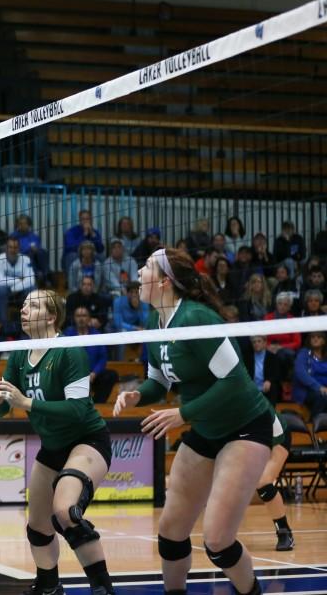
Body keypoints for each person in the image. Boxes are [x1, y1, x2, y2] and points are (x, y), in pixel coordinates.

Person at [113, 247, 273, 595]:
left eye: (146, 267)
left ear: (165, 281)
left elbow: (234, 382)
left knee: (216, 539)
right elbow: (160, 381)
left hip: (244, 426)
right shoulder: (157, 324)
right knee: (171, 532)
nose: (139, 272)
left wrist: (182, 414)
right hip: (206, 428)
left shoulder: (196, 319)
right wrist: (138, 394)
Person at [0, 289, 116, 595]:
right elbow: (4, 408)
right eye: (24, 305)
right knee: (38, 527)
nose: (23, 310)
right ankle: (48, 586)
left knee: (66, 512)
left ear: (52, 316)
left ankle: (102, 588)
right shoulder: (20, 352)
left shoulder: (70, 350)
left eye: (33, 305)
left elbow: (77, 409)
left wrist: (26, 402)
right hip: (53, 448)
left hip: (87, 440)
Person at [253, 403, 295, 551]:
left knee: (263, 483)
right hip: (248, 441)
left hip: (277, 436)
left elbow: (276, 433)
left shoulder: (250, 399)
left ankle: (284, 532)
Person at [63, 307, 116, 404]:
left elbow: (103, 358)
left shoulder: (96, 335)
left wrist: (94, 373)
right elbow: (63, 357)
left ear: (89, 318)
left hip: (93, 376)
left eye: (84, 315)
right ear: (74, 318)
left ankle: (98, 403)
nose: (81, 319)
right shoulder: (67, 334)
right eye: (78, 316)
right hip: (73, 375)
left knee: (111, 375)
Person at [0, 236, 36, 327]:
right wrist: (18, 279)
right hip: (2, 292)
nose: (12, 250)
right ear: (6, 248)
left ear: (19, 248)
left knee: (32, 290)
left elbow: (31, 280)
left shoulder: (26, 259)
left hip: (19, 291)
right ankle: (2, 326)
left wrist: (14, 288)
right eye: (10, 247)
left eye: (15, 247)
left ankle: (30, 324)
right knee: (1, 289)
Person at [292, 331, 327, 416]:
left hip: (325, 389)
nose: (315, 339)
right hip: (308, 390)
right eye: (313, 337)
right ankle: (314, 422)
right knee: (323, 397)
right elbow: (300, 373)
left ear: (324, 341)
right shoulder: (304, 353)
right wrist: (319, 387)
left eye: (318, 337)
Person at [243, 335, 285, 404]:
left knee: (273, 386)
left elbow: (277, 373)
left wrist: (269, 380)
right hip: (252, 388)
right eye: (254, 342)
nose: (256, 344)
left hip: (267, 388)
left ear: (265, 343)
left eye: (259, 341)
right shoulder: (248, 358)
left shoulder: (272, 357)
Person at [13, 214, 49, 280]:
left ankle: (45, 275)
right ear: (17, 225)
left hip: (34, 255)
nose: (22, 225)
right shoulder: (13, 236)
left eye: (25, 223)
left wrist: (36, 249)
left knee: (43, 252)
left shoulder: (34, 236)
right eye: (20, 223)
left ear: (29, 225)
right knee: (29, 255)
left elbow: (38, 247)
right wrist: (28, 249)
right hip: (20, 256)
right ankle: (38, 275)